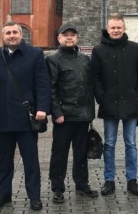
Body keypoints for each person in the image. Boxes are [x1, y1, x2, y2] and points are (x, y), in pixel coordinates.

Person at [0, 21, 51, 211]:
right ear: (3, 36)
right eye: (8, 33)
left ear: (21, 35)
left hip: (26, 117)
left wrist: (42, 108)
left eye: (15, 32)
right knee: (4, 160)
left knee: (31, 161)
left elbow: (42, 83)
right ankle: (3, 194)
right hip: (2, 116)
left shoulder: (35, 54)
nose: (12, 36)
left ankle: (34, 196)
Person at [91, 14, 138, 196]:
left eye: (119, 27)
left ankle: (132, 179)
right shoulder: (98, 50)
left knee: (131, 143)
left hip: (131, 102)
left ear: (124, 29)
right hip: (109, 103)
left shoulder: (135, 48)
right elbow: (95, 77)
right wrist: (101, 97)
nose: (116, 30)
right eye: (113, 28)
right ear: (108, 29)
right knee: (109, 144)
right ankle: (109, 180)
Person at [46, 23, 98, 204]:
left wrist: (90, 113)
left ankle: (82, 184)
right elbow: (51, 89)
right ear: (59, 38)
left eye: (72, 35)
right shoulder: (53, 59)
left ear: (77, 37)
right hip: (64, 117)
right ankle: (57, 188)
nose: (69, 38)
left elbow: (89, 86)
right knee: (59, 154)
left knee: (81, 153)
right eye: (65, 35)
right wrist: (57, 112)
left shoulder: (84, 59)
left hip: (83, 116)